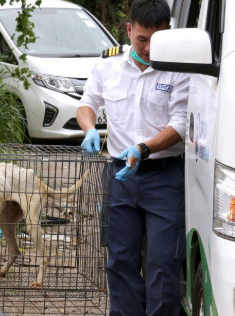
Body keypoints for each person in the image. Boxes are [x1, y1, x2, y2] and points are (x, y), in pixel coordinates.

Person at [77, 1, 190, 315]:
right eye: (142, 39)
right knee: (120, 260)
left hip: (164, 176)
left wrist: (143, 149)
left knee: (164, 260)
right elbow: (88, 102)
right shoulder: (108, 64)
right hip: (120, 178)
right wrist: (89, 129)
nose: (150, 48)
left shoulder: (181, 68)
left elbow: (180, 123)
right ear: (129, 30)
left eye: (158, 40)